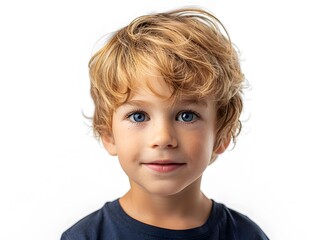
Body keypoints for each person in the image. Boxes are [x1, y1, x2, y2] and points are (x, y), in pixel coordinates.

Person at [61, 7, 269, 240]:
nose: (163, 138)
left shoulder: (245, 236)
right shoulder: (85, 237)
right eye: (139, 116)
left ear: (221, 134)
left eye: (186, 116)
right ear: (108, 134)